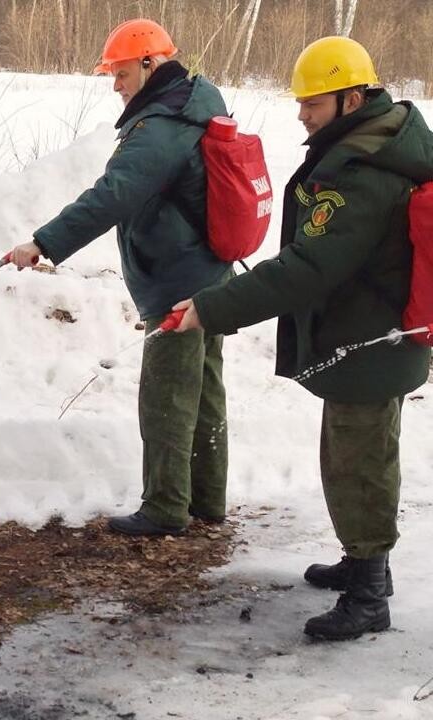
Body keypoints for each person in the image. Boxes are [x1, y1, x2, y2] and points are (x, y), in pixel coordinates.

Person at [173, 36, 433, 640]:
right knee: (360, 453)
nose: (301, 114)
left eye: (312, 102)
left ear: (351, 98)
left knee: (357, 463)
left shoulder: (365, 171)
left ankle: (369, 595)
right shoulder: (379, 143)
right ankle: (365, 564)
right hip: (375, 335)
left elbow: (309, 268)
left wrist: (212, 307)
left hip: (370, 339)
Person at [9, 19, 232, 536]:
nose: (115, 84)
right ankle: (206, 498)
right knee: (204, 389)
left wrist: (43, 243)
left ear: (151, 64)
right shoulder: (194, 104)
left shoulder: (162, 127)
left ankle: (166, 508)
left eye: (121, 71)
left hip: (179, 278)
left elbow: (112, 195)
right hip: (209, 269)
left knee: (168, 395)